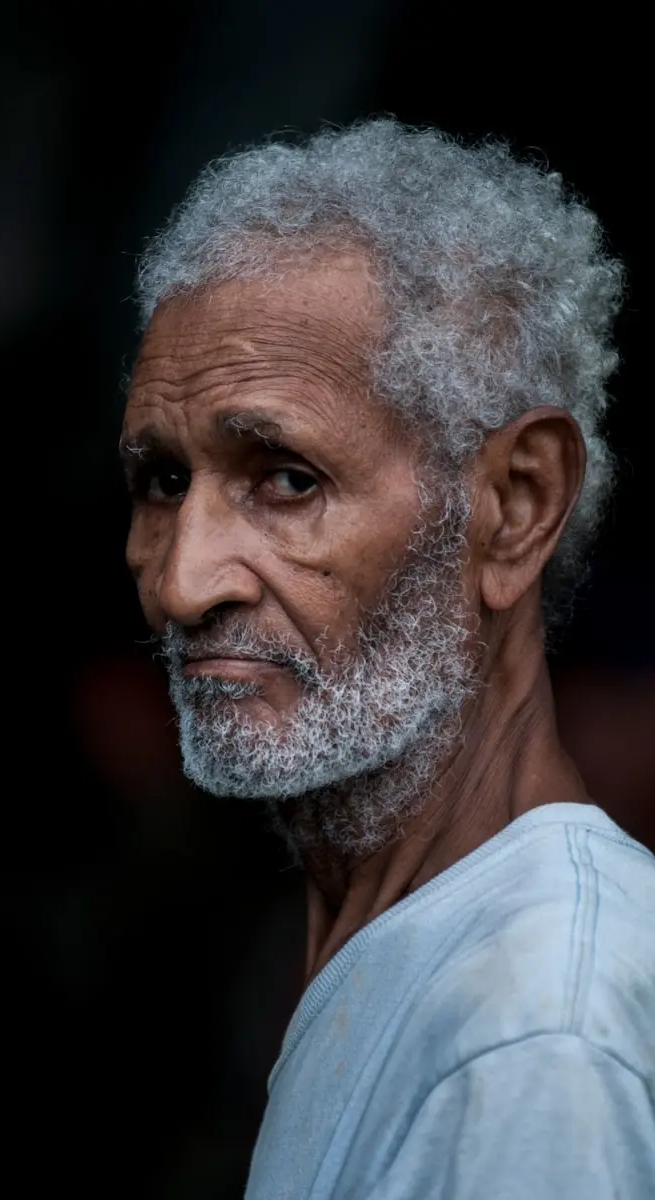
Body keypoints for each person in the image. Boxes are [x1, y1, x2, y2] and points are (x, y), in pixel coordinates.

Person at [120, 119, 655, 1198]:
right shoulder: (413, 949)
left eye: (286, 480)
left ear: (513, 507)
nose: (182, 582)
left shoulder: (535, 1037)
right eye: (165, 481)